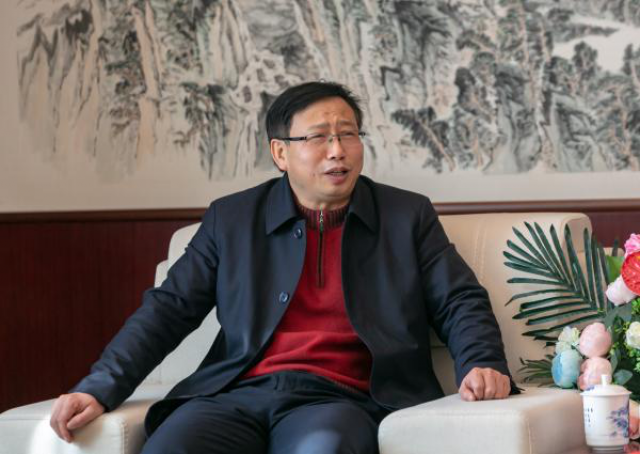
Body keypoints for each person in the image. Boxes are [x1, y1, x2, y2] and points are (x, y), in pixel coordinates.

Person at [50, 81, 515, 453]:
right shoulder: (232, 219)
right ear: (280, 153)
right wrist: (100, 387)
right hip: (236, 394)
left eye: (348, 134)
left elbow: (458, 299)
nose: (337, 150)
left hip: (344, 398)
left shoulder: (406, 216)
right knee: (174, 445)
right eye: (318, 137)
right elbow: (167, 309)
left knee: (325, 446)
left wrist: (482, 363)